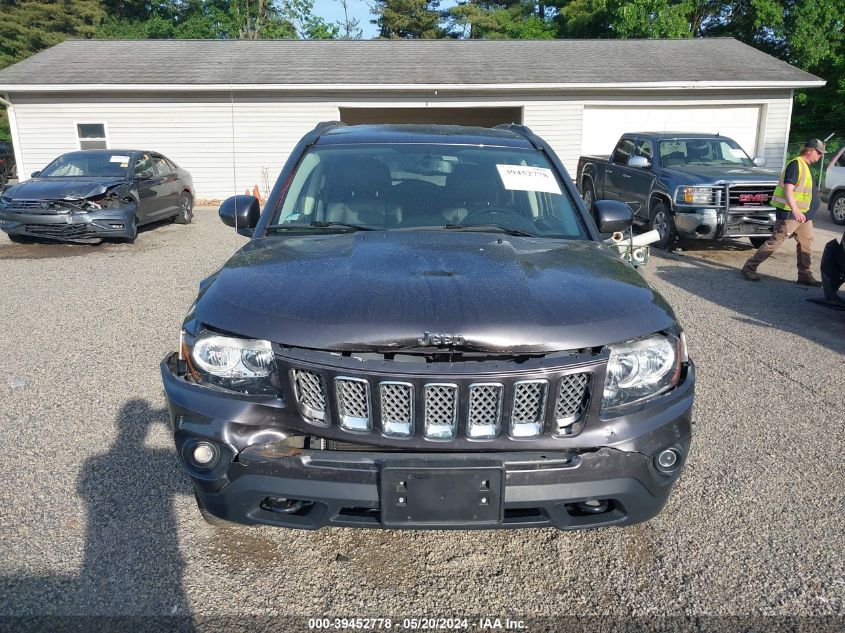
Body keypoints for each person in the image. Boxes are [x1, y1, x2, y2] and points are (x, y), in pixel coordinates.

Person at [741, 138, 826, 286]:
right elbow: (788, 189)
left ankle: (805, 275)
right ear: (809, 150)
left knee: (806, 243)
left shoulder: (805, 166)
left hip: (804, 215)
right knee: (775, 241)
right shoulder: (796, 164)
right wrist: (795, 210)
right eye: (818, 152)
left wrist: (803, 212)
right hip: (791, 214)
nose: (820, 156)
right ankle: (749, 267)